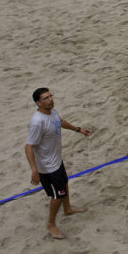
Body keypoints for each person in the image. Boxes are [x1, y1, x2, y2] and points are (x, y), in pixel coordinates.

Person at [24, 87, 90, 239]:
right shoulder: (37, 122)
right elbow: (28, 147)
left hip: (56, 160)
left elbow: (60, 122)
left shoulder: (52, 111)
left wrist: (78, 129)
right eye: (46, 98)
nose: (50, 100)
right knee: (58, 195)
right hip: (47, 168)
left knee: (65, 183)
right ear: (38, 103)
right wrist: (34, 170)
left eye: (50, 96)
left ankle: (67, 209)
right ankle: (51, 224)